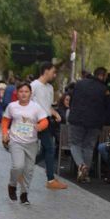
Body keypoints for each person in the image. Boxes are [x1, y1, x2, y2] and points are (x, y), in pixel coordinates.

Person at [1, 82, 50, 205]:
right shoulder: (12, 106)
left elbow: (45, 120)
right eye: (21, 91)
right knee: (18, 166)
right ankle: (12, 185)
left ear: (30, 94)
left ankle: (24, 194)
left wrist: (40, 126)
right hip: (16, 141)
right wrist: (4, 133)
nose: (23, 94)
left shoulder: (36, 107)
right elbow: (6, 120)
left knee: (28, 170)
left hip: (31, 143)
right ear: (17, 93)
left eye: (26, 92)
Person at [67, 67, 110, 183]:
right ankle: (85, 174)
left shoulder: (80, 84)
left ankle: (81, 166)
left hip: (77, 119)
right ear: (102, 75)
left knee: (75, 143)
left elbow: (72, 100)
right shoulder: (104, 89)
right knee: (88, 146)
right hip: (95, 122)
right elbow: (107, 106)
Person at [30, 62, 66, 190]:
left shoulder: (50, 88)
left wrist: (55, 113)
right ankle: (50, 180)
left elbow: (48, 106)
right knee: (50, 148)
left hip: (48, 121)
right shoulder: (33, 86)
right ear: (46, 71)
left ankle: (23, 170)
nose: (55, 75)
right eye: (53, 72)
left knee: (45, 151)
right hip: (38, 122)